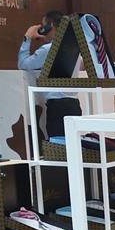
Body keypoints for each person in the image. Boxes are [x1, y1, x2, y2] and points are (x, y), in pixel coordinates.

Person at [17, 11, 80, 139]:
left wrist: (27, 37)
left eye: (43, 25)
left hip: (57, 107)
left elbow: (23, 64)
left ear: (50, 26)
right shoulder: (73, 48)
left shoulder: (48, 49)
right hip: (74, 105)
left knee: (58, 145)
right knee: (73, 145)